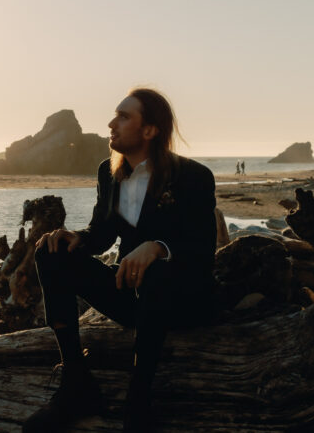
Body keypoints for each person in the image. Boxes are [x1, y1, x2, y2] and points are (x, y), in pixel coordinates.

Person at [23, 88, 217, 433]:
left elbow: (202, 249)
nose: (112, 123)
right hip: (132, 297)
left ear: (150, 130)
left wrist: (158, 246)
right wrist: (75, 238)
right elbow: (102, 235)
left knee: (155, 272)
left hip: (185, 301)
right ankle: (75, 382)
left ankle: (138, 401)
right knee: (49, 252)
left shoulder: (193, 176)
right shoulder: (108, 172)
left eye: (124, 116)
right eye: (115, 115)